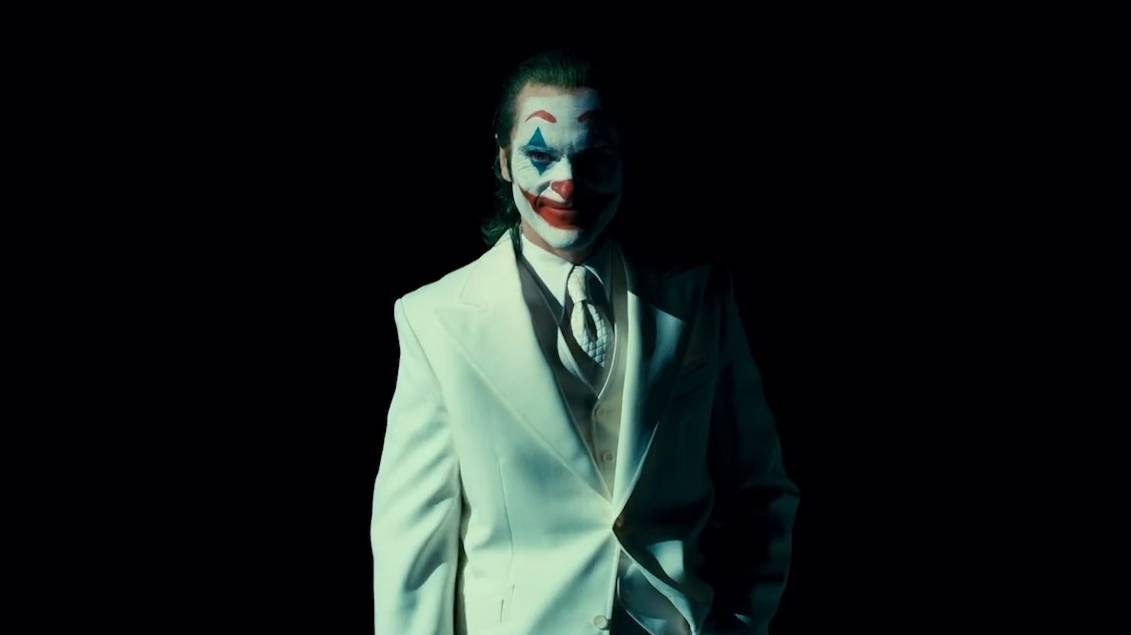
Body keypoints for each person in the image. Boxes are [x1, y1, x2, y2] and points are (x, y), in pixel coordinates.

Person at [371, 49, 799, 635]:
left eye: (593, 156)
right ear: (503, 161)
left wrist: (737, 625)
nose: (568, 182)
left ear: (623, 159)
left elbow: (760, 493)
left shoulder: (698, 299)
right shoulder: (436, 321)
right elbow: (414, 550)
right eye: (540, 155)